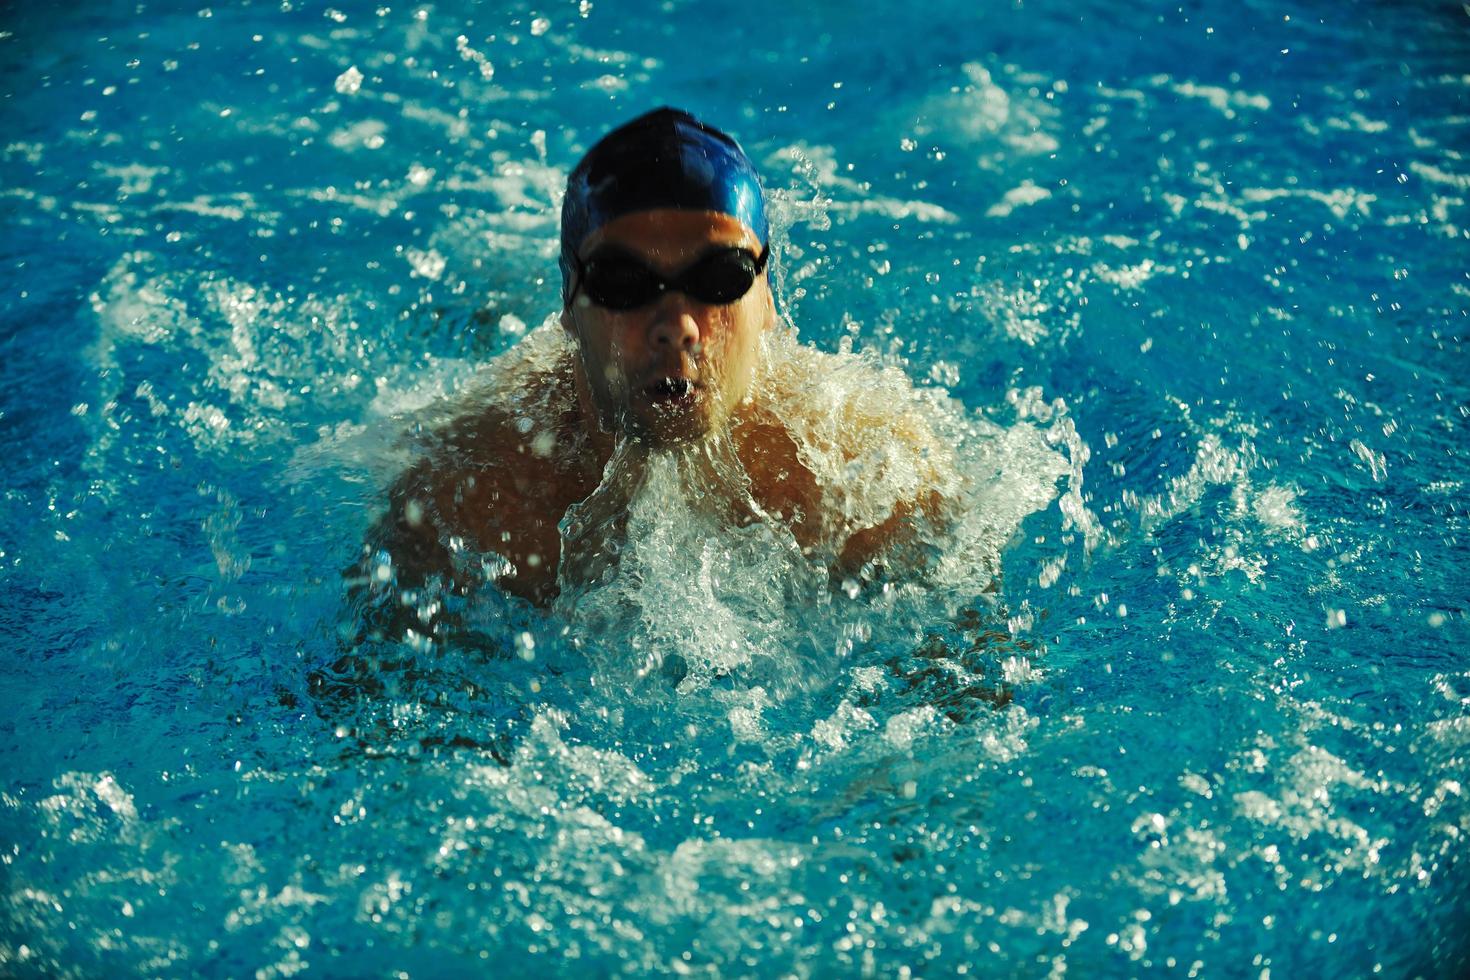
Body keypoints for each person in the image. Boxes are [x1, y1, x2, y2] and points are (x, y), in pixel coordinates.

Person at [352, 108, 958, 644]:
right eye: (624, 283)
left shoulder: (867, 475)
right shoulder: (468, 498)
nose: (678, 325)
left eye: (720, 277)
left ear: (767, 297)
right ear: (569, 302)